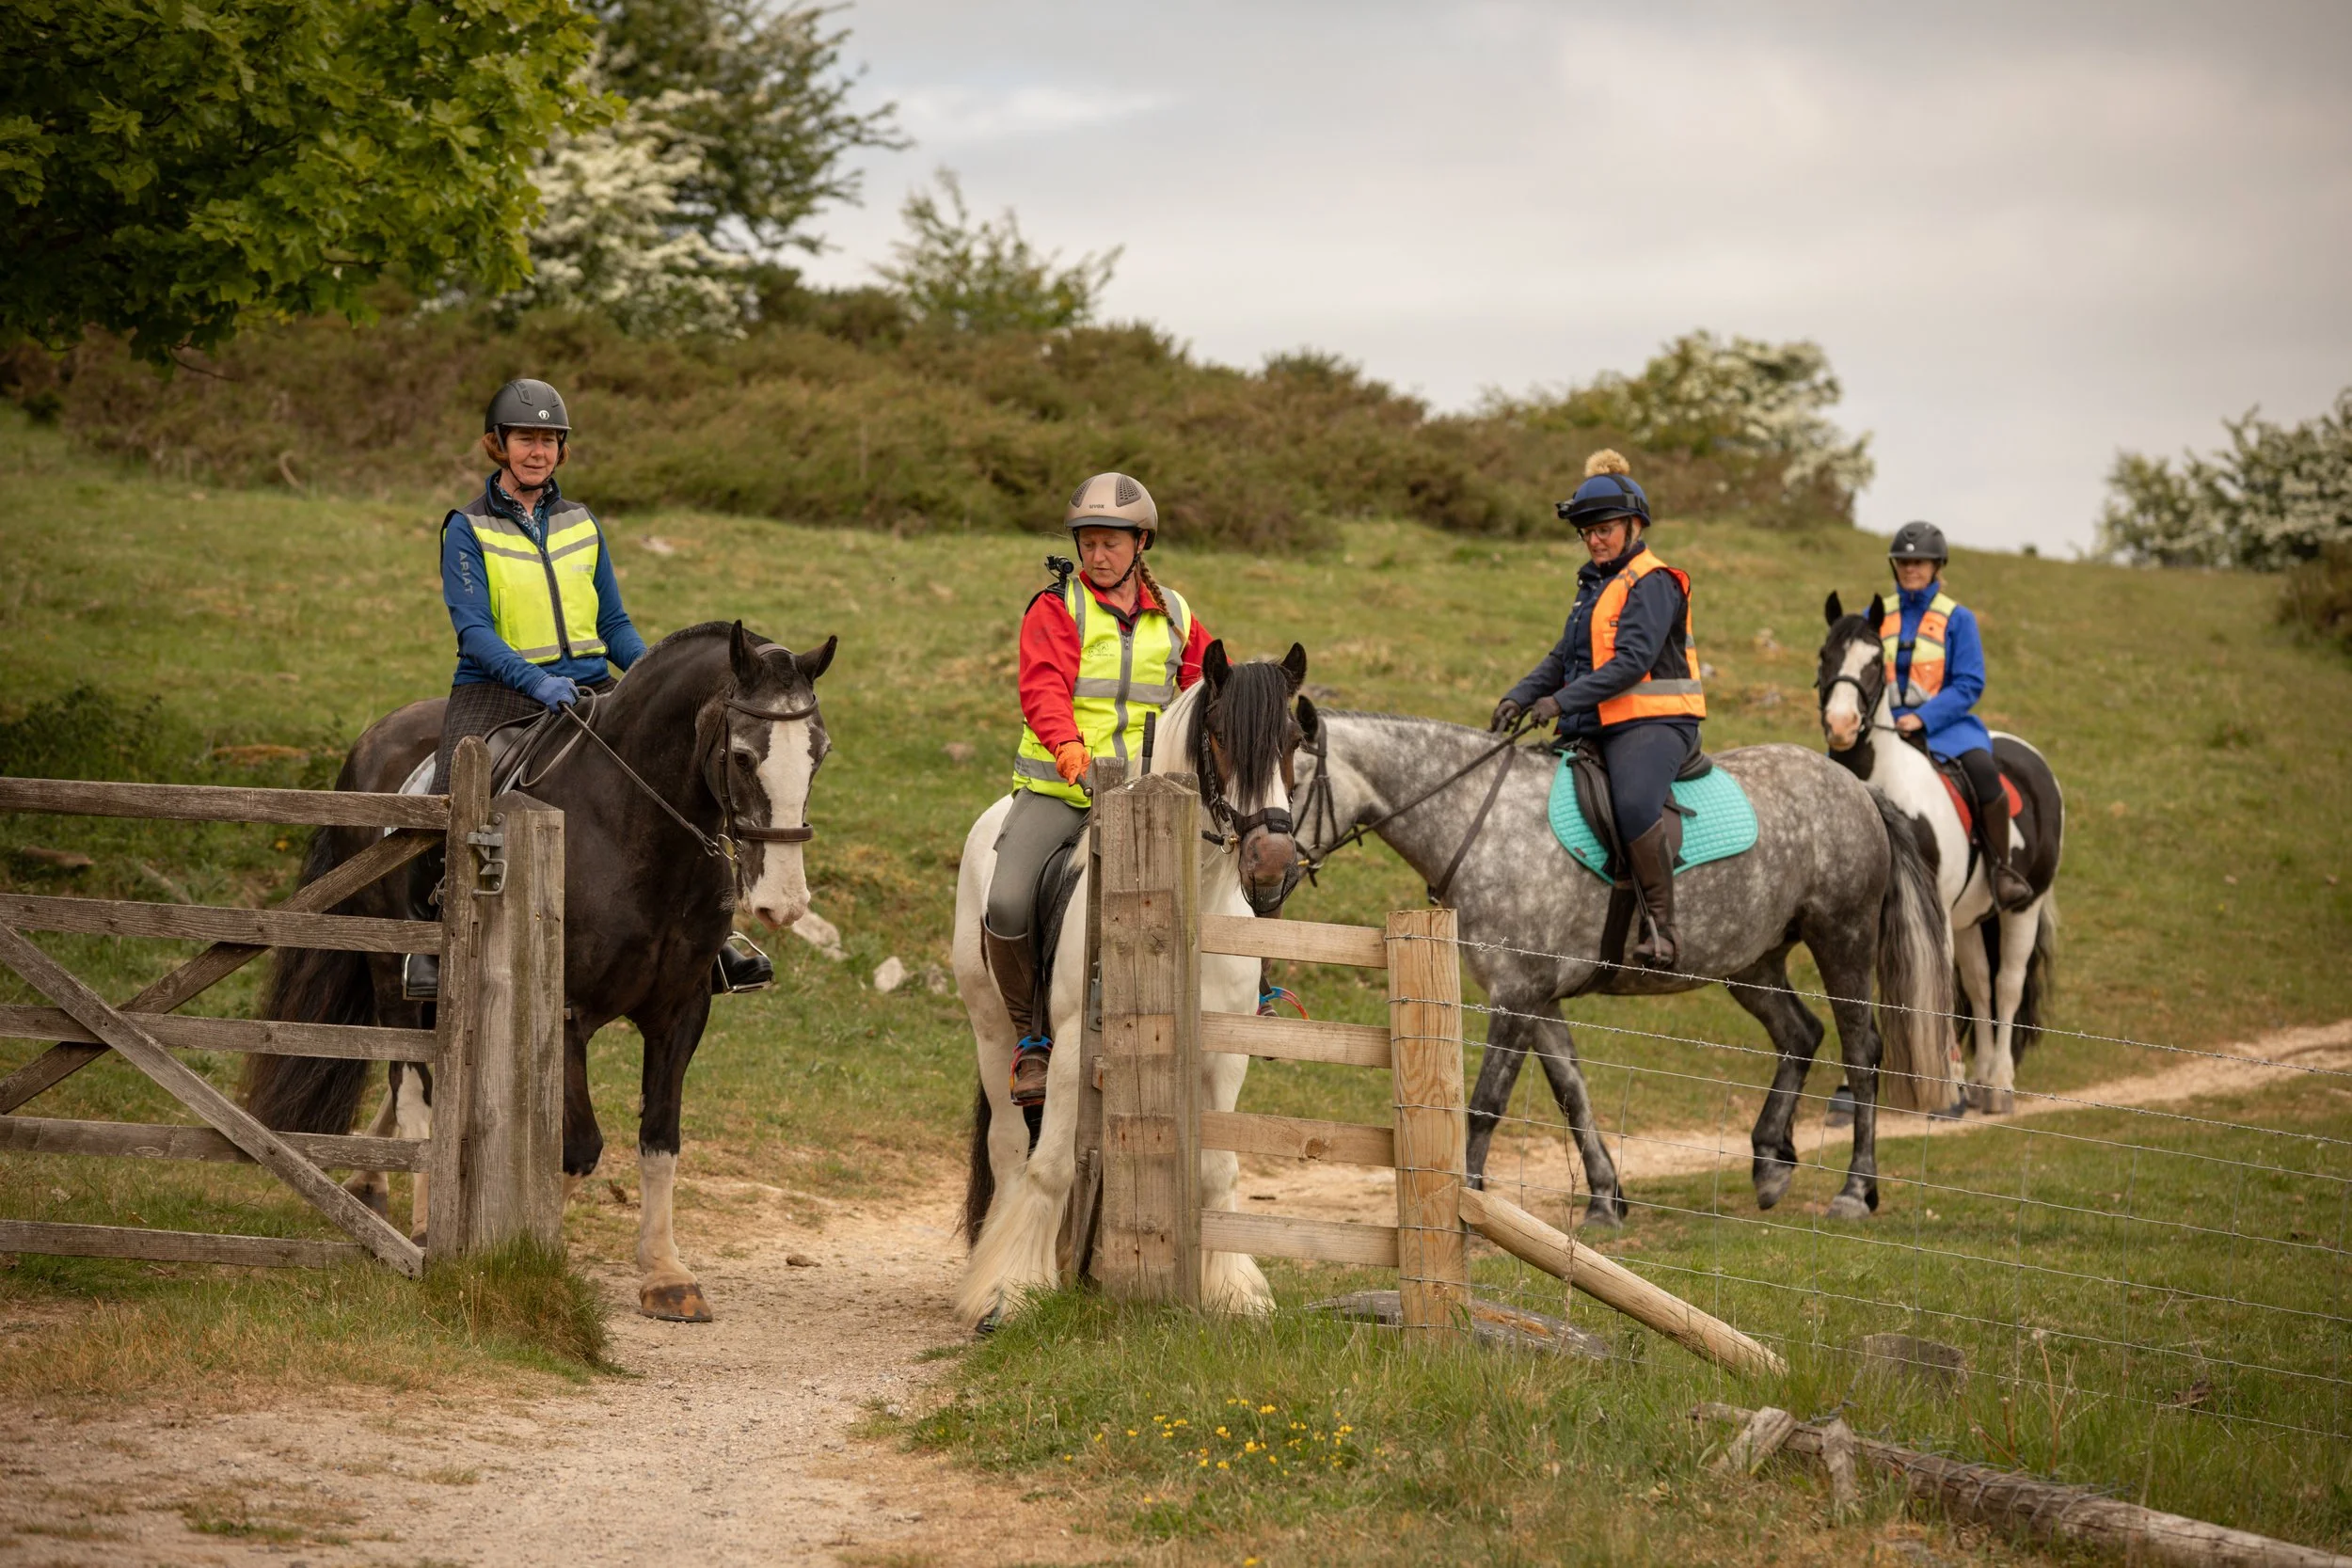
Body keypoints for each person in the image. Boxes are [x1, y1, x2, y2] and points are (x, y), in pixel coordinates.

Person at [403, 378, 659, 999]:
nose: (537, 451)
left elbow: (613, 624)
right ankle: (432, 939)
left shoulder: (581, 523)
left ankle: (704, 937)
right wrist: (538, 681)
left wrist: (653, 675)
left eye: (548, 439)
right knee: (455, 798)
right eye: (525, 439)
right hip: (497, 690)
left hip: (590, 685)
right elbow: (474, 630)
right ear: (499, 445)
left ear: (560, 450)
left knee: (675, 767)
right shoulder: (467, 528)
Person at [988, 473, 1213, 1106]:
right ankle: (1031, 1038)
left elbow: (1208, 693)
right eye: (1088, 542)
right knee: (1005, 904)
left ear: (1141, 542)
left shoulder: (1177, 616)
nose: (1097, 554)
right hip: (1060, 791)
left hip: (1149, 800)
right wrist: (1071, 754)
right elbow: (1043, 690)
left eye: (1111, 542)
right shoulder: (1057, 607)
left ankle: (1249, 995)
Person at [1491, 451, 1706, 968]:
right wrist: (1518, 696)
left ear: (1634, 525)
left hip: (1656, 723)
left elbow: (1632, 663)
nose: (1595, 539)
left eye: (1605, 529)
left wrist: (1559, 702)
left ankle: (1662, 926)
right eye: (1587, 532)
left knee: (1634, 804)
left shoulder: (1654, 582)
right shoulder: (1593, 588)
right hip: (1604, 721)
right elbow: (1563, 658)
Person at [1883, 520, 2034, 911]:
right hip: (1882, 727)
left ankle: (2003, 870)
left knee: (1984, 774)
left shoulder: (1958, 618)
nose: (1911, 569)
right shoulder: (1877, 613)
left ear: (1937, 567)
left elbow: (1969, 683)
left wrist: (1923, 719)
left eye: (1920, 563)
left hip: (1944, 728)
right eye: (1903, 562)